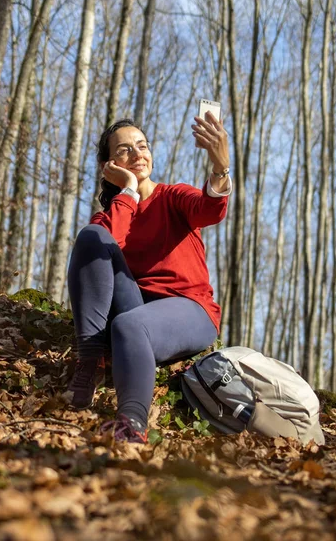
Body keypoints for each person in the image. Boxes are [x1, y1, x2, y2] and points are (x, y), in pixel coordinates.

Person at [63, 112, 232, 443]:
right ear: (109, 164)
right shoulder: (115, 210)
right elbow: (109, 242)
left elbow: (210, 209)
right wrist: (128, 191)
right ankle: (89, 362)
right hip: (138, 305)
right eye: (125, 150)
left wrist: (220, 169)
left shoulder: (174, 196)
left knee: (129, 325)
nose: (138, 154)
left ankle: (131, 424)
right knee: (91, 237)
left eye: (142, 146)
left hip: (189, 310)